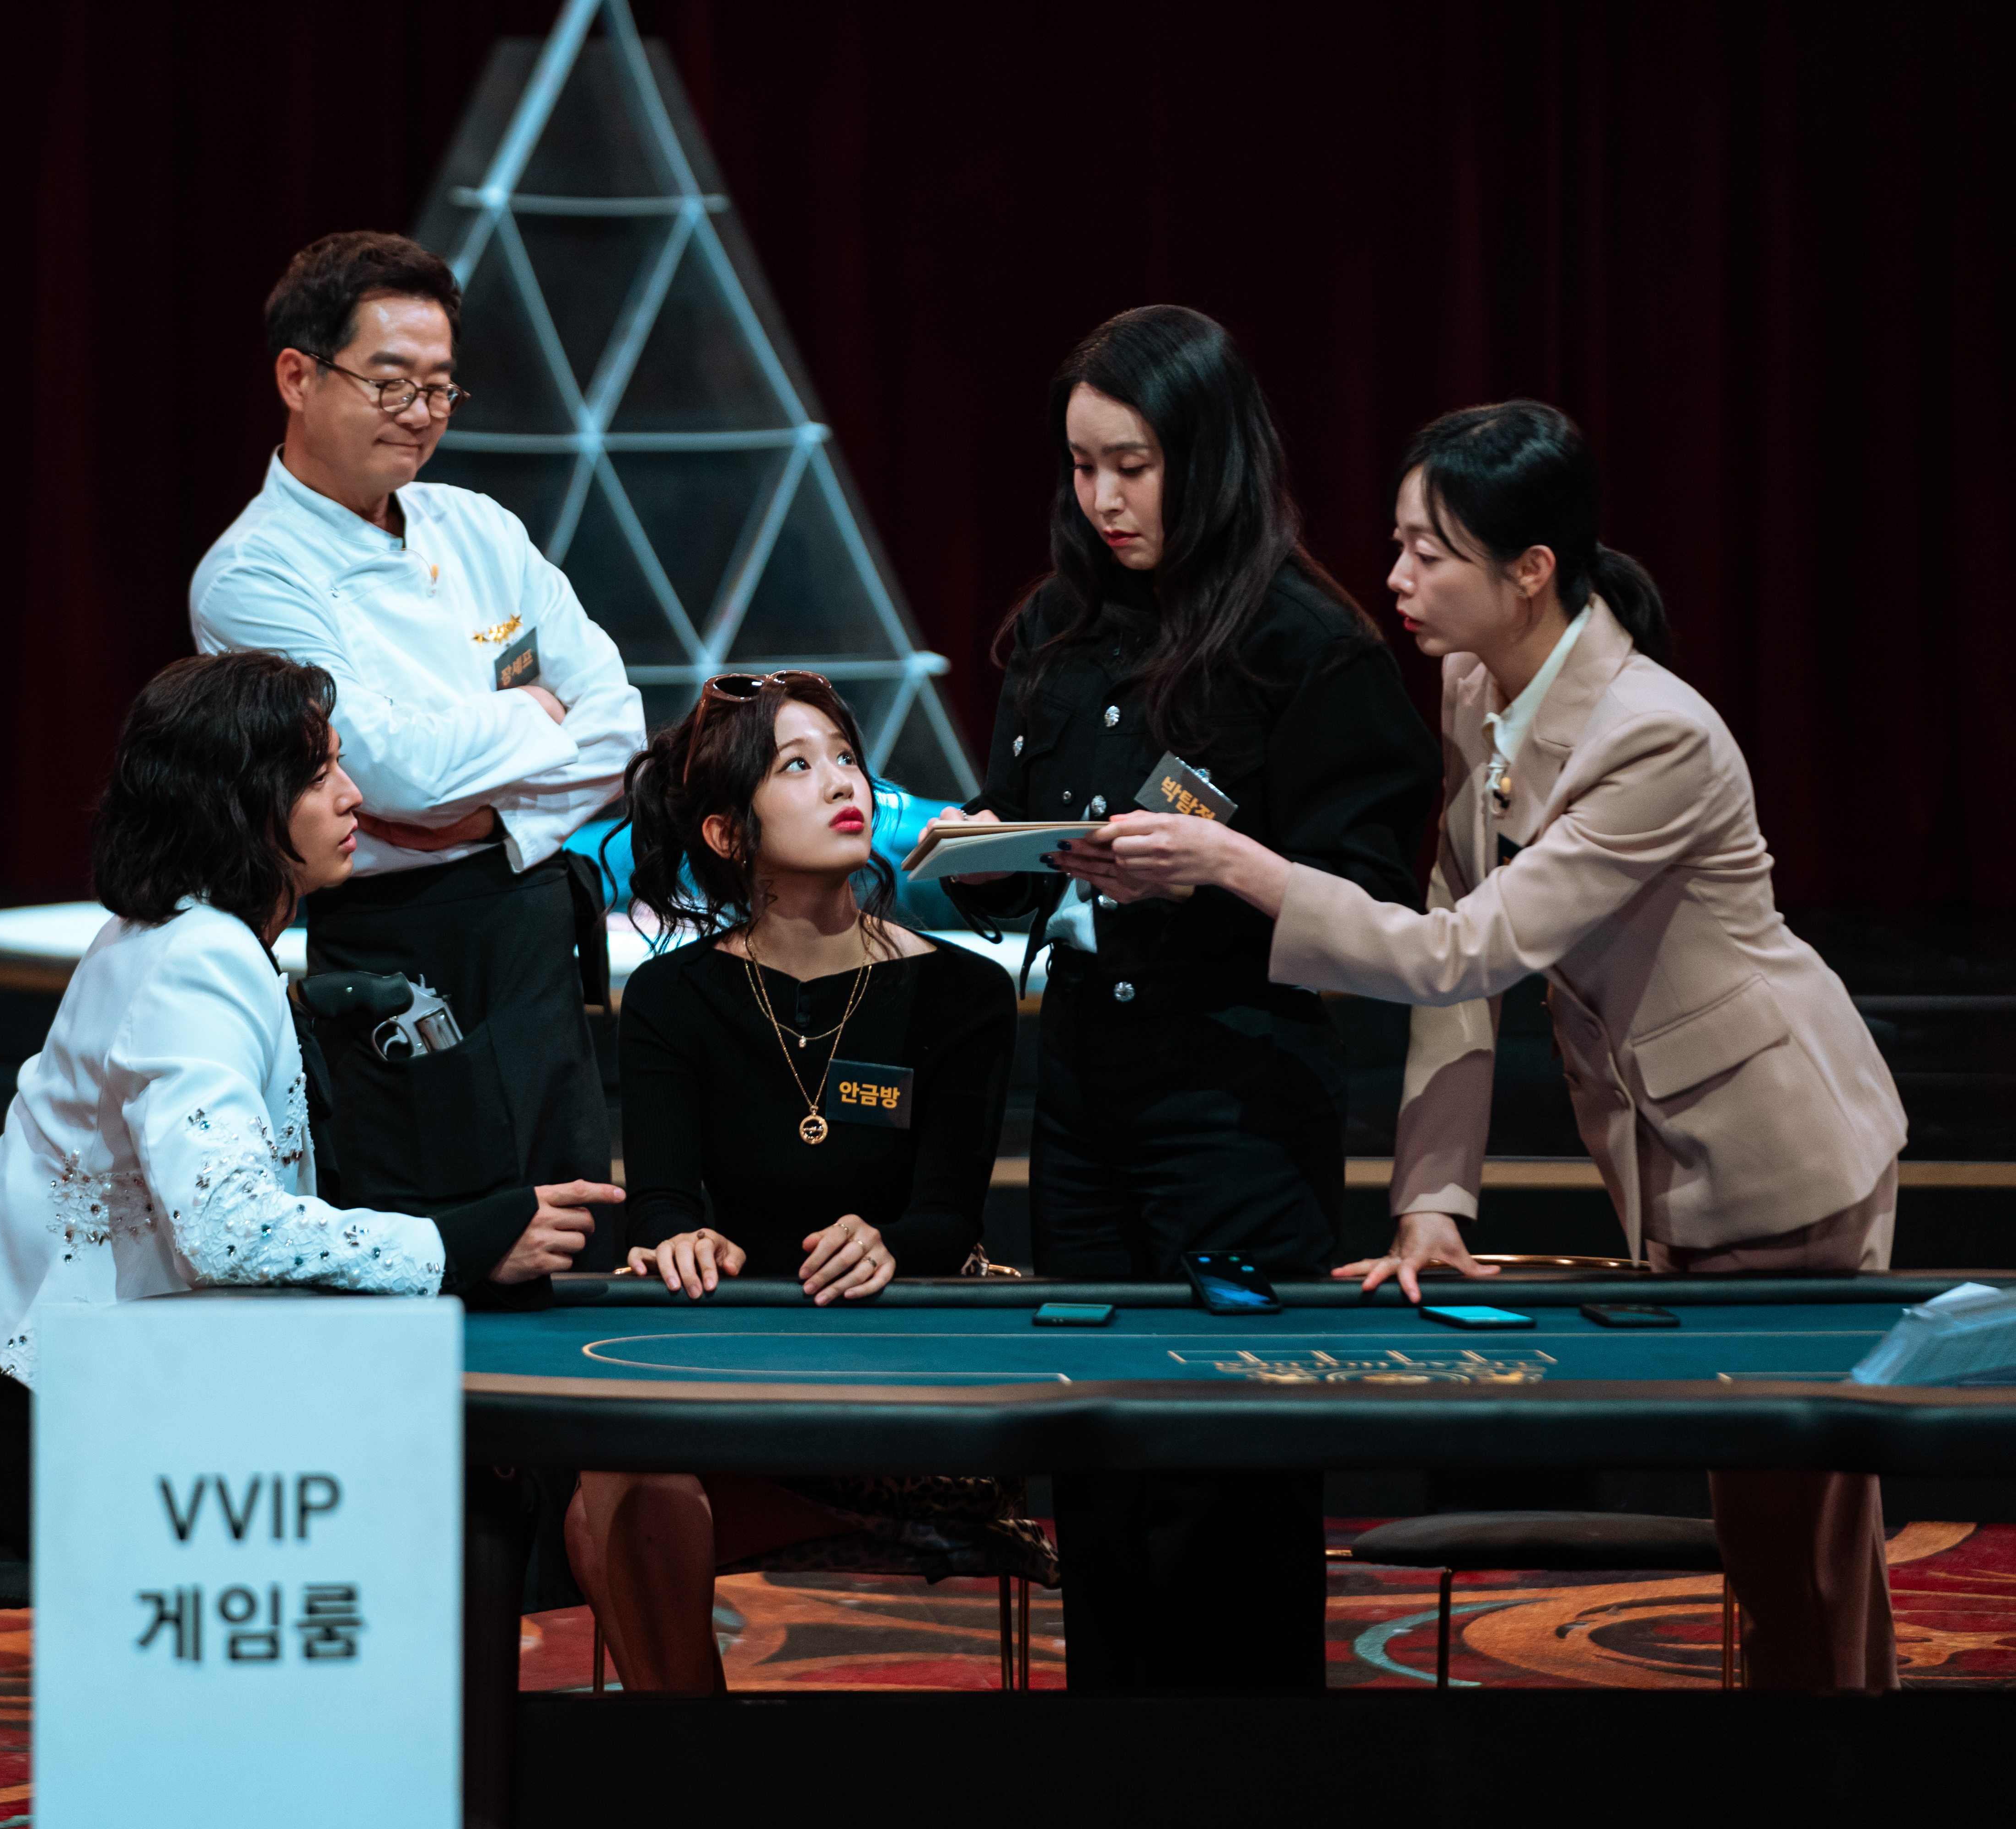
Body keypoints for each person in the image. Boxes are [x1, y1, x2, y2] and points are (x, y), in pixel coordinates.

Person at [1094, 399, 1909, 1691]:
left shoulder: (1656, 735)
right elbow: (1449, 959)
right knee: (1783, 1550)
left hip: (1781, 1148)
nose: (1397, 578)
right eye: (1401, 542)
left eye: (1431, 553)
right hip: (1678, 1150)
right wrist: (1432, 1203)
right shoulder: (1480, 679)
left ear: (1530, 572)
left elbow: (1464, 953)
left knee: (1798, 1554)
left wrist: (1241, 868)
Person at [924, 305, 1438, 1691]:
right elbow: (1030, 846)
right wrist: (983, 852)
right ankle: (1115, 1754)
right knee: (1095, 1437)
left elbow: (1377, 899)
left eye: (1133, 467)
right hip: (1086, 1084)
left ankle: (1248, 1764)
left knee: (1226, 1462)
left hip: (1235, 1091)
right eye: (1084, 468)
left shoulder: (1305, 641)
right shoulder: (1055, 624)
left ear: (1206, 456)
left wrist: (1223, 868)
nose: (1103, 502)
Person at [0, 651, 620, 1444]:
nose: (354, 797)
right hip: (70, 1402)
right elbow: (225, 1229)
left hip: (49, 1370)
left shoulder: (161, 933)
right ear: (242, 805)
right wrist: (459, 1243)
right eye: (321, 779)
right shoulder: (200, 960)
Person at [566, 671, 1044, 1693]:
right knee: (618, 1488)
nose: (846, 784)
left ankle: (688, 1777)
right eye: (798, 765)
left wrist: (889, 1241)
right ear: (729, 835)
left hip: (909, 1378)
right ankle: (702, 1768)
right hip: (740, 1376)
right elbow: (658, 1201)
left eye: (845, 756)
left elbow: (948, 1216)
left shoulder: (962, 990)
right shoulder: (669, 997)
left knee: (614, 1505)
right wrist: (679, 1236)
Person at [192, 231, 645, 1230]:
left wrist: (487, 817)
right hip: (393, 939)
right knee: (438, 1241)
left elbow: (618, 721)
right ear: (297, 376)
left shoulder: (476, 526)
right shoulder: (251, 574)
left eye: (441, 389)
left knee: (569, 1213)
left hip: (529, 916)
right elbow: (394, 775)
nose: (422, 416)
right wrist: (530, 718)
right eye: (392, 384)